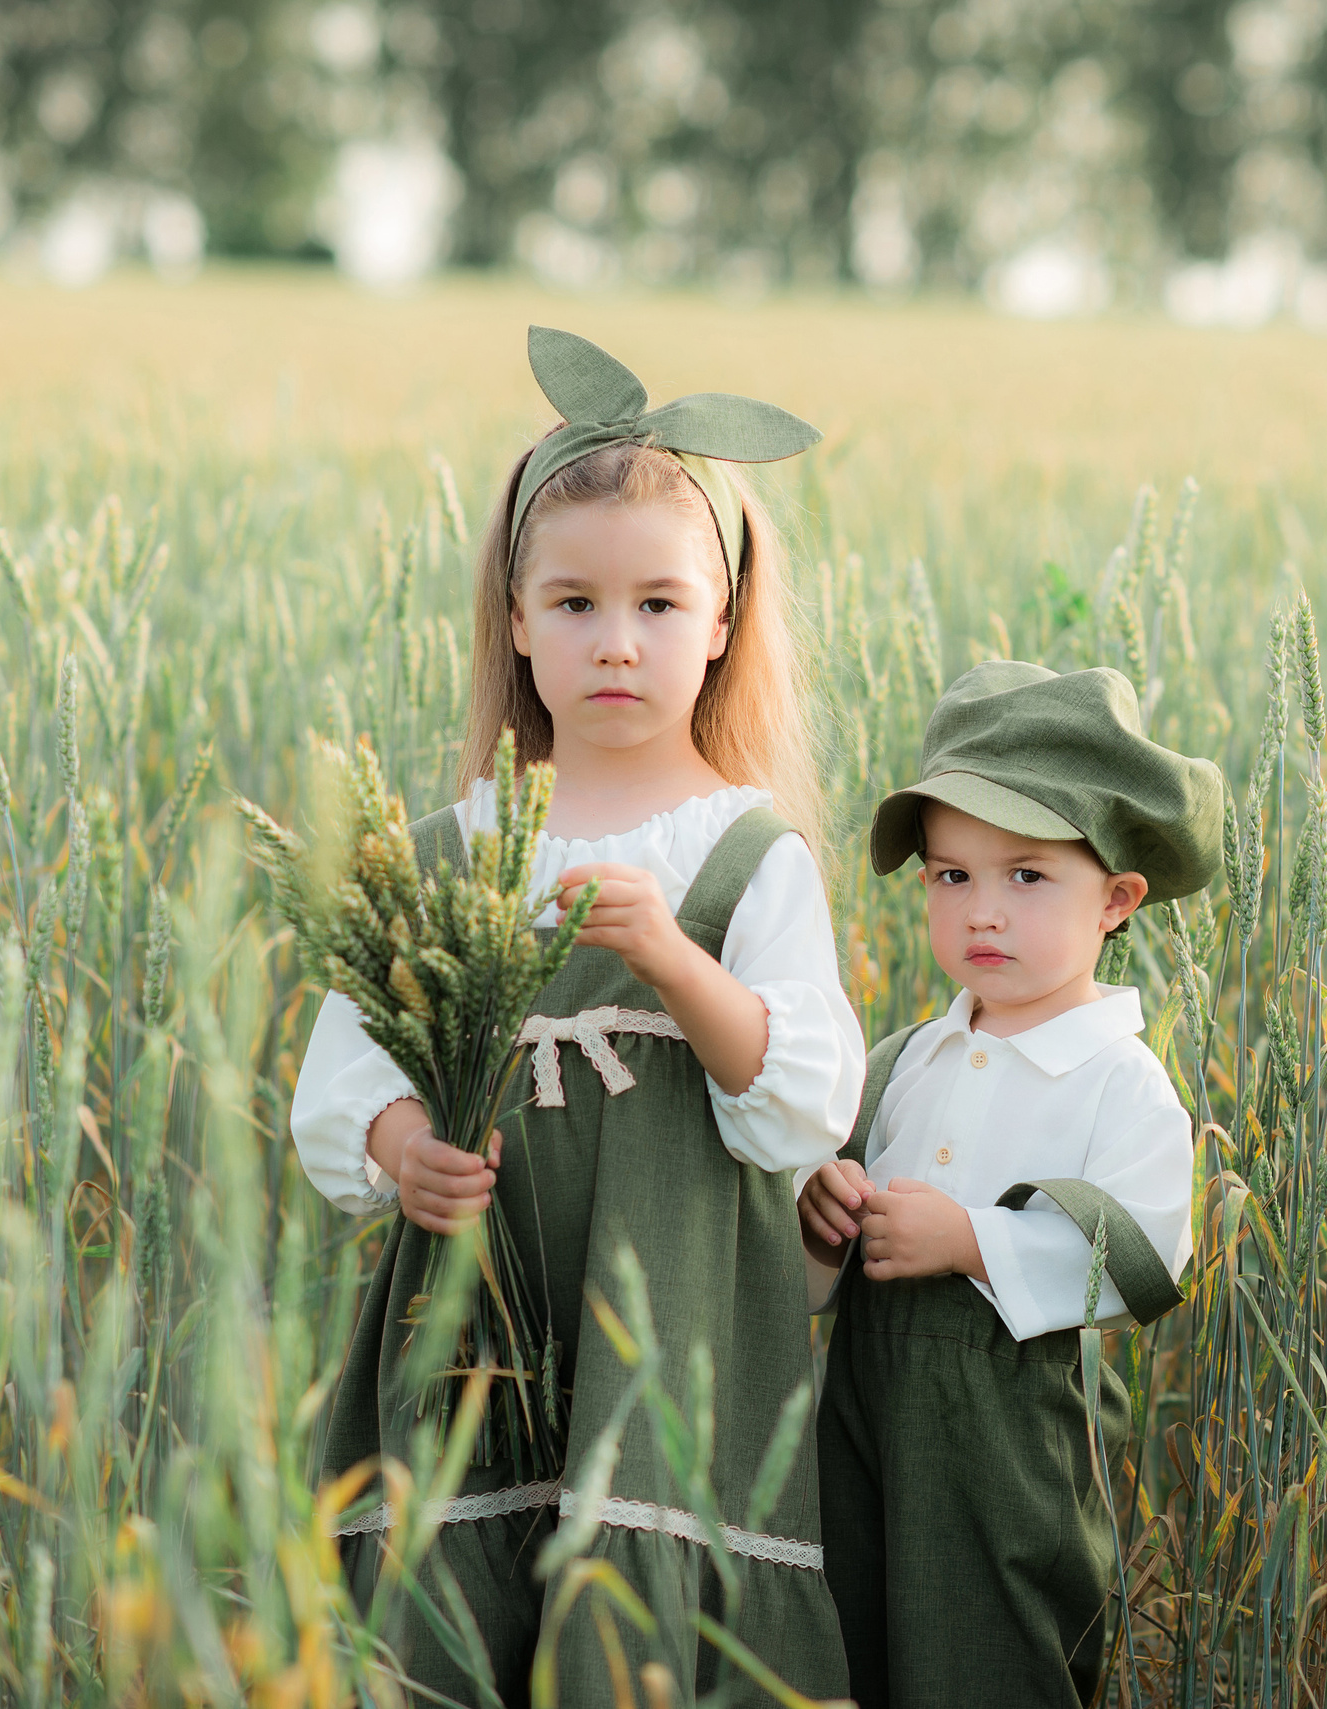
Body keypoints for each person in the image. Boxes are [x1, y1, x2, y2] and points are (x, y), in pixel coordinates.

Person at [290, 326, 857, 1706]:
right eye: (575, 602)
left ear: (721, 623)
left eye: (660, 603)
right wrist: (405, 1147)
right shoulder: (444, 853)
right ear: (516, 620)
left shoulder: (745, 857)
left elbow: (801, 1101)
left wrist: (672, 959)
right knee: (457, 1612)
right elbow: (343, 1074)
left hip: (668, 1337)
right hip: (470, 1341)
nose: (616, 641)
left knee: (631, 1621)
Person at [798, 659, 1222, 1707]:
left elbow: (1145, 1254)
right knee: (851, 1637)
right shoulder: (903, 1061)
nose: (982, 912)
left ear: (1115, 899)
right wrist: (822, 1220)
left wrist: (968, 1241)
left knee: (991, 1654)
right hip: (864, 1420)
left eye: (1026, 876)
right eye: (952, 876)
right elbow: (810, 1273)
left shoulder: (1117, 1078)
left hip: (1011, 1441)